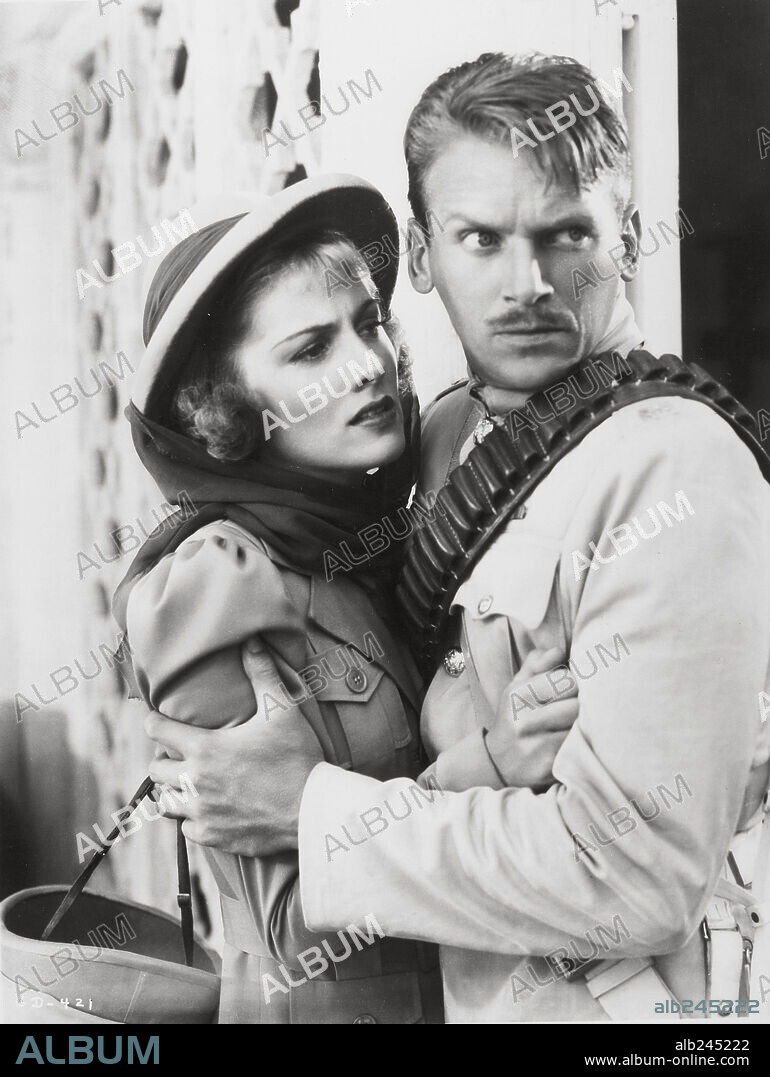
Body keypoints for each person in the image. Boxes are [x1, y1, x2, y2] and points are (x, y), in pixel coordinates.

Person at [144, 56, 770, 1022]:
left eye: (568, 235)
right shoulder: (437, 439)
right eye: (481, 239)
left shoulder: (674, 464)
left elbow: (638, 881)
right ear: (425, 255)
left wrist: (314, 814)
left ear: (627, 241)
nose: (528, 285)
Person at [114, 174, 577, 1024]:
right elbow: (299, 927)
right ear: (225, 409)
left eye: (368, 325)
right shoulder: (220, 584)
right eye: (309, 350)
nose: (367, 366)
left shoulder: (368, 537)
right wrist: (494, 764)